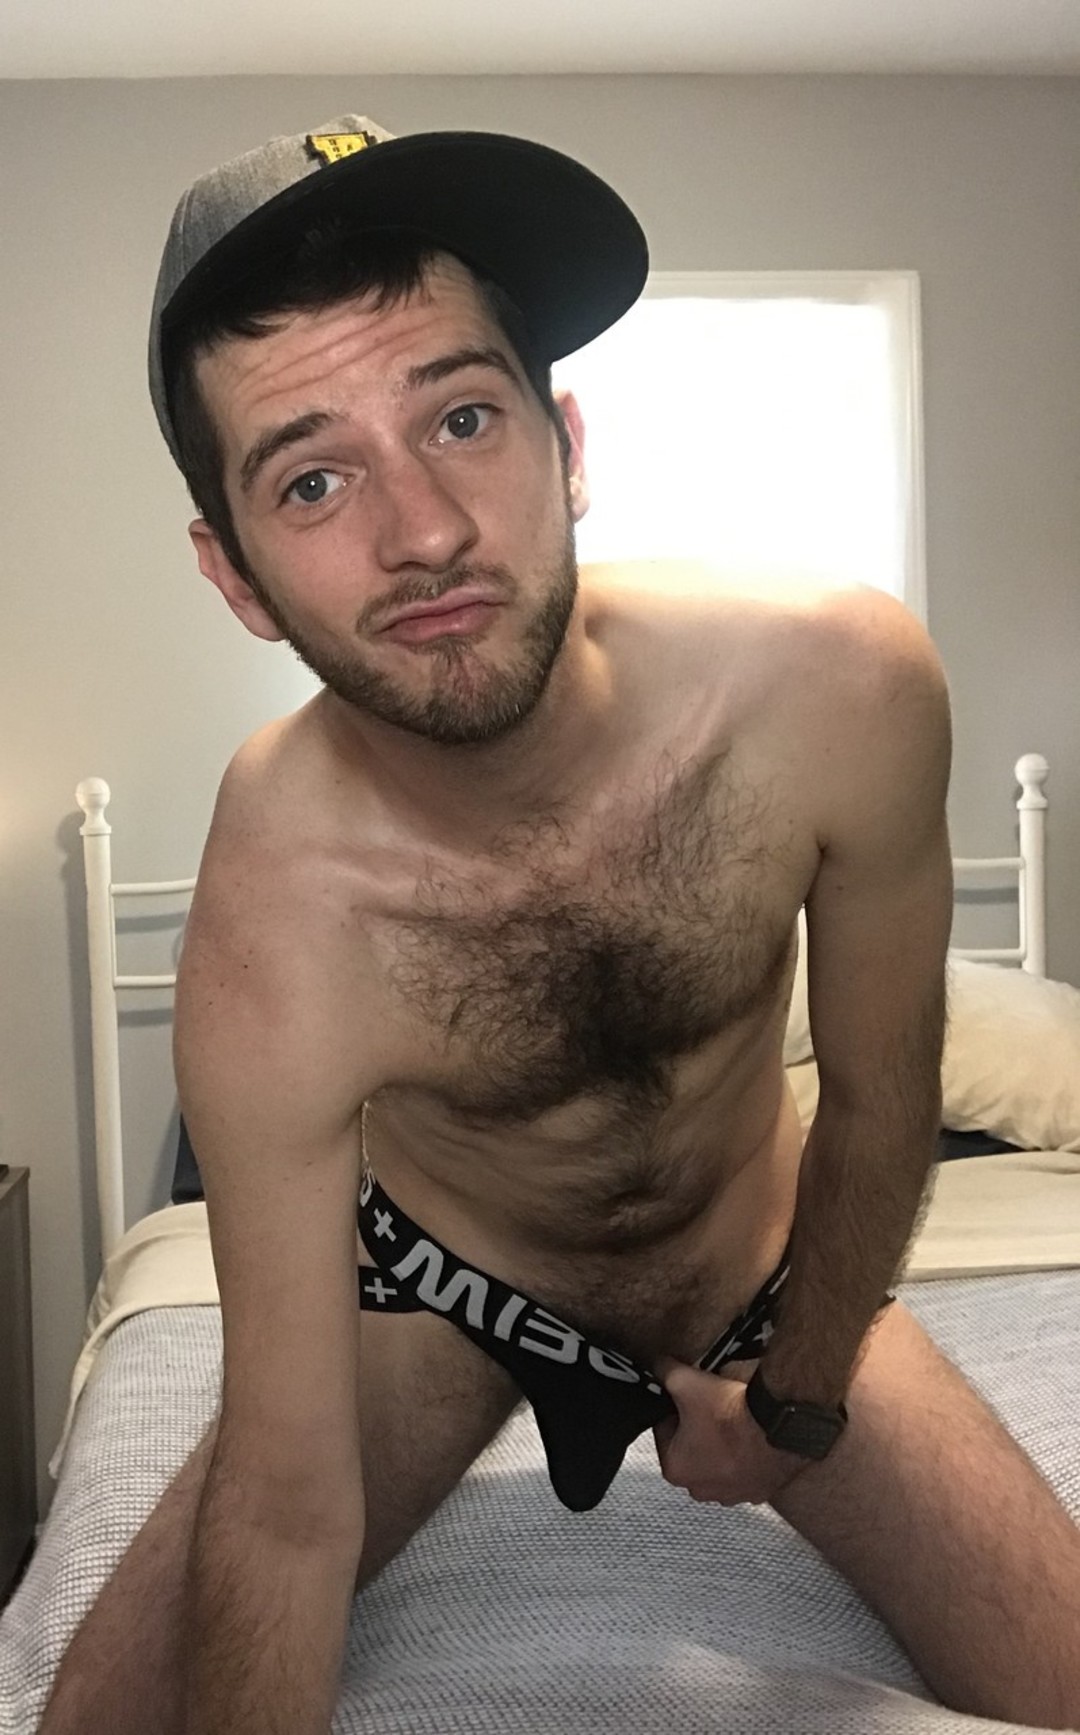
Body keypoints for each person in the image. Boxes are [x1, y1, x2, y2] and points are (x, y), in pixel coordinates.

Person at [40, 114, 1080, 1735]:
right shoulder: (277, 910)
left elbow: (882, 1105)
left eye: (462, 417)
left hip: (763, 1265)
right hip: (447, 1288)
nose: (425, 531)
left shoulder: (836, 692)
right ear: (235, 576)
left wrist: (801, 1399)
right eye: (312, 478)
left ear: (569, 443)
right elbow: (288, 1501)